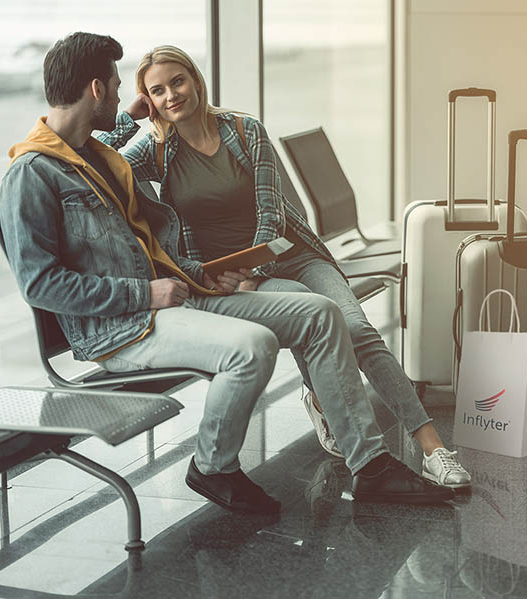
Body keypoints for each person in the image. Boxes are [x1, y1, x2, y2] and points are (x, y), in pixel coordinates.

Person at [0, 32, 456, 514]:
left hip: (185, 291)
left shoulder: (98, 158)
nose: (122, 99)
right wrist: (146, 293)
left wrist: (200, 274)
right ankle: (213, 466)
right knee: (252, 346)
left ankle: (372, 465)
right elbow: (40, 285)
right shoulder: (32, 173)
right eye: (114, 88)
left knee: (322, 316)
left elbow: (141, 224)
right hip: (127, 324)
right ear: (95, 89)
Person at [99, 45, 471, 489]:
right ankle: (333, 408)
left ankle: (432, 448)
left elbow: (271, 211)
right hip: (231, 276)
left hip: (289, 255)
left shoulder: (243, 130)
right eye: (157, 91)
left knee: (358, 330)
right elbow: (92, 158)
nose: (171, 96)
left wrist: (254, 266)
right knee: (319, 319)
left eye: (177, 82)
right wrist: (130, 115)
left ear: (196, 80)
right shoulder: (156, 150)